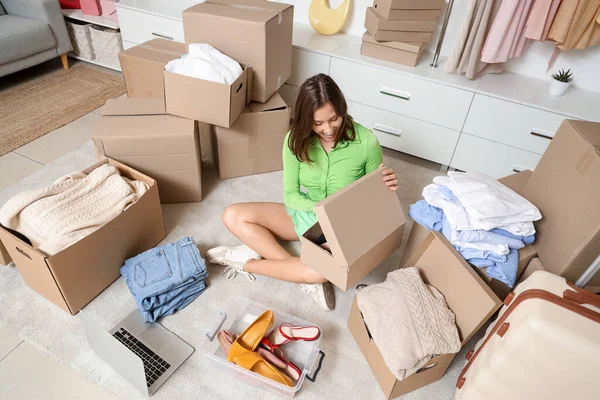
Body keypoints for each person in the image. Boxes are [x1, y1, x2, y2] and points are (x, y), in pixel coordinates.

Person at [206, 73, 399, 311]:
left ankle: (247, 262)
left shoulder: (367, 141)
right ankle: (295, 271)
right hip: (306, 215)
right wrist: (317, 209)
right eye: (317, 123)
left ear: (342, 109)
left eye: (334, 119)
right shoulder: (294, 141)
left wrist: (385, 186)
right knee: (232, 215)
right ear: (306, 119)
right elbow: (290, 194)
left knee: (317, 271)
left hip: (343, 227)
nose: (328, 129)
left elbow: (374, 201)